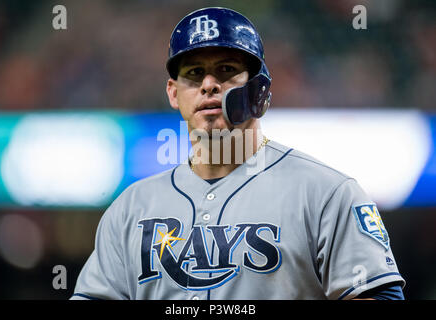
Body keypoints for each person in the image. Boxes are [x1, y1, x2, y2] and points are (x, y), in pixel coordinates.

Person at [71, 7, 405, 300]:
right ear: (174, 93)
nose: (209, 85)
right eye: (194, 73)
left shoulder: (326, 194)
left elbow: (378, 293)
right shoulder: (131, 208)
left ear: (259, 90)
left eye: (227, 70)